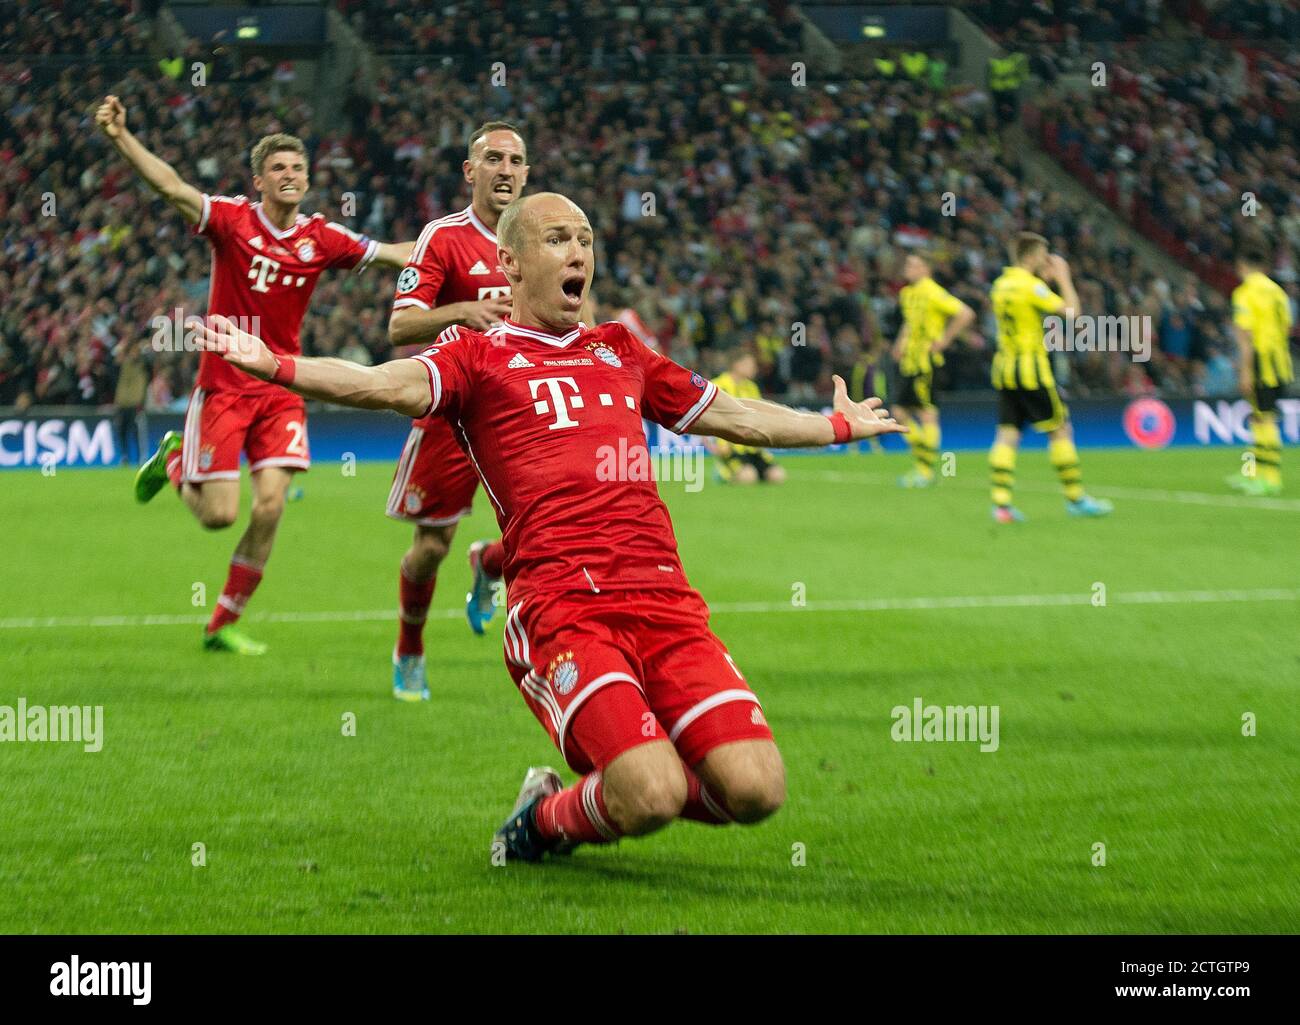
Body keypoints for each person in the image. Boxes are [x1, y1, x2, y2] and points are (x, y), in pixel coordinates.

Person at [192, 192, 905, 861]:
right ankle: (541, 818)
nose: (578, 254)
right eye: (558, 238)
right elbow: (382, 382)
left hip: (666, 602)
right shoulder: (476, 357)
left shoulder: (622, 351)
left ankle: (611, 784)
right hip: (564, 607)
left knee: (757, 790)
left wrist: (835, 424)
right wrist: (276, 364)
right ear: (510, 263)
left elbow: (738, 415)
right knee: (652, 794)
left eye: (587, 241)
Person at [96, 94, 413, 654]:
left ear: (308, 180)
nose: (290, 176)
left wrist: (477, 248)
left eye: (297, 168)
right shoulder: (232, 221)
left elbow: (396, 254)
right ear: (259, 181)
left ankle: (221, 623)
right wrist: (121, 138)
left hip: (282, 388)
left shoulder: (322, 238)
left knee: (270, 505)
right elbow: (171, 187)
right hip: (223, 388)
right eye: (278, 169)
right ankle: (174, 459)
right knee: (219, 516)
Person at [385, 121, 533, 700]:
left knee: (547, 529)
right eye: (493, 159)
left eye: (516, 161)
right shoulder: (442, 238)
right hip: (452, 413)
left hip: (522, 412)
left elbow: (578, 318)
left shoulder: (542, 237)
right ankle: (410, 646)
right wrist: (462, 311)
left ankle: (491, 565)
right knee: (429, 550)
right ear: (471, 172)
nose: (505, 170)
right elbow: (400, 325)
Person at [987, 232, 1113, 522]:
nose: (1047, 261)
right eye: (1043, 256)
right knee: (1060, 430)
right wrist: (1064, 278)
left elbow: (1027, 308)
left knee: (1007, 434)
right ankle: (1076, 499)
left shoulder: (1001, 285)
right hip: (1032, 371)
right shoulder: (1031, 286)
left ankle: (1001, 505)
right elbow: (1072, 313)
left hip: (1005, 369)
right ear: (1031, 256)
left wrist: (1043, 280)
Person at [892, 252, 974, 487]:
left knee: (926, 413)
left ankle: (924, 471)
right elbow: (910, 322)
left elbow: (965, 313)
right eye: (907, 263)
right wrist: (901, 342)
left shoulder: (932, 291)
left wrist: (945, 340)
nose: (908, 267)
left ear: (926, 269)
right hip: (910, 362)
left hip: (926, 362)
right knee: (899, 412)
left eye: (914, 264)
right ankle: (923, 465)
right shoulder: (907, 293)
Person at [1227, 242, 1293, 497]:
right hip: (1281, 363)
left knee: (1264, 418)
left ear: (1242, 266)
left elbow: (1245, 336)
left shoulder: (1244, 293)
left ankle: (1270, 478)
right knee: (1259, 417)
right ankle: (1253, 473)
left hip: (1260, 364)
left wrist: (1245, 371)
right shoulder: (1278, 292)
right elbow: (1287, 328)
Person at [710, 349, 786, 484]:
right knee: (748, 477)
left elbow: (758, 416)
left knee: (778, 476)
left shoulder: (752, 387)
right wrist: (715, 445)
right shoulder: (718, 385)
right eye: (749, 364)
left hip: (752, 446)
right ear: (737, 365)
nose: (754, 368)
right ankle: (722, 471)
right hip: (731, 447)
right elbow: (707, 417)